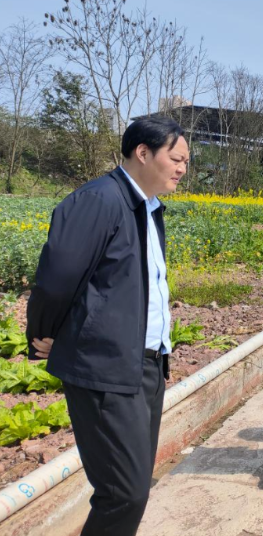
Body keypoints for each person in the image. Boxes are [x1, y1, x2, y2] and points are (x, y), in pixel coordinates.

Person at [26, 115, 189, 536]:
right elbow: (57, 279)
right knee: (123, 493)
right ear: (142, 153)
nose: (182, 169)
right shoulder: (99, 200)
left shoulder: (147, 208)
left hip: (145, 365)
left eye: (186, 162)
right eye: (176, 159)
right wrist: (47, 333)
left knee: (133, 487)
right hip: (105, 367)